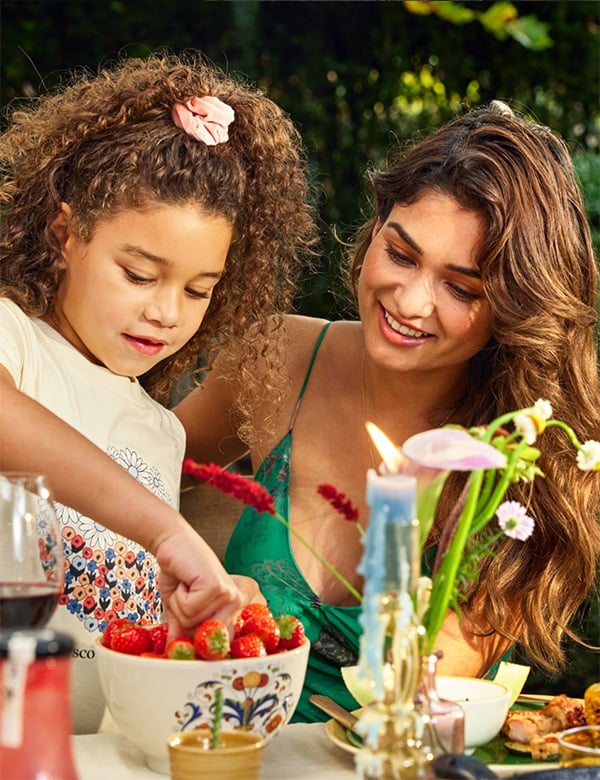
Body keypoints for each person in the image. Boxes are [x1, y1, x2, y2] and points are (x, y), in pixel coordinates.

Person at [176, 101, 600, 722]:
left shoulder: (526, 463)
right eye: (401, 254)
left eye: (461, 288)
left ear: (514, 310)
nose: (409, 300)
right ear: (375, 227)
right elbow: (133, 465)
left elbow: (419, 694)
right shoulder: (278, 357)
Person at [0, 51, 317, 732]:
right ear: (64, 235)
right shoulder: (14, 342)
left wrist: (210, 619)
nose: (167, 312)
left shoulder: (162, 431)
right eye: (140, 274)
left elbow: (140, 632)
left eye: (198, 290)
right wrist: (166, 529)